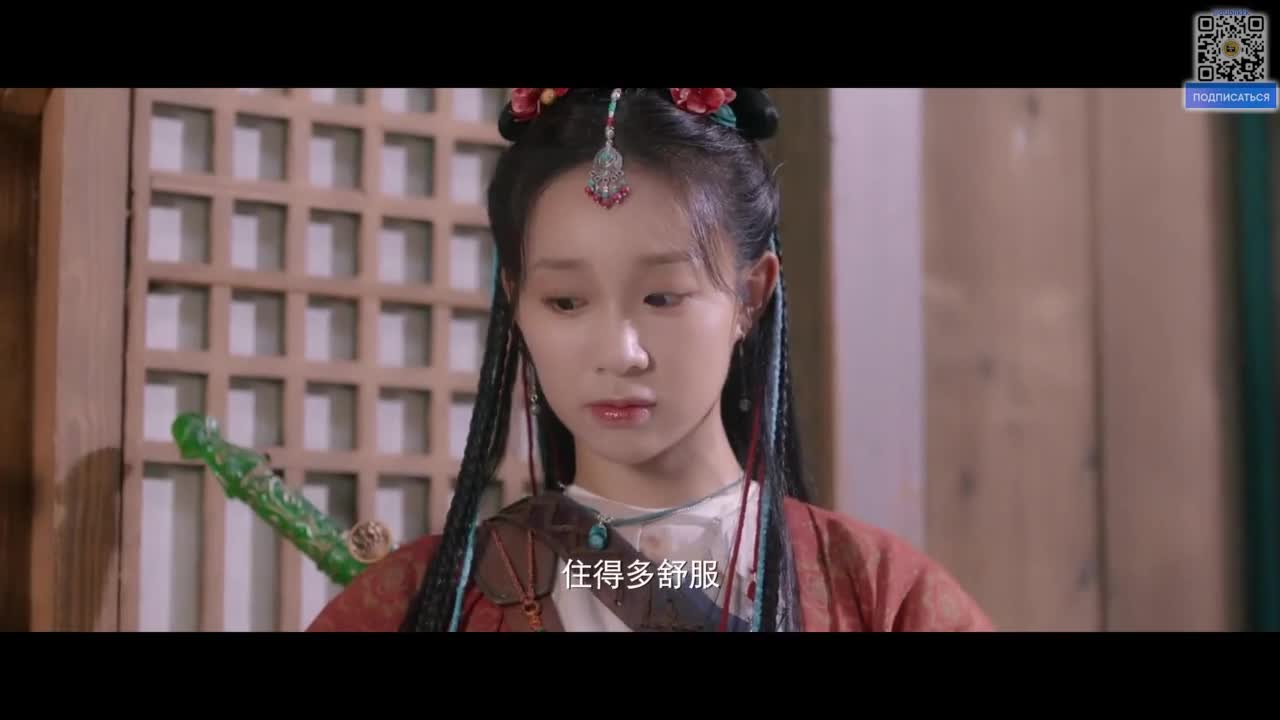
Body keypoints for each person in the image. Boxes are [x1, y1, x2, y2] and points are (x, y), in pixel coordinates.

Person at [306, 87, 993, 632]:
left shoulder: (882, 594)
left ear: (751, 296)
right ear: (516, 302)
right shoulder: (418, 602)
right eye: (565, 301)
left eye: (663, 297)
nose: (620, 353)